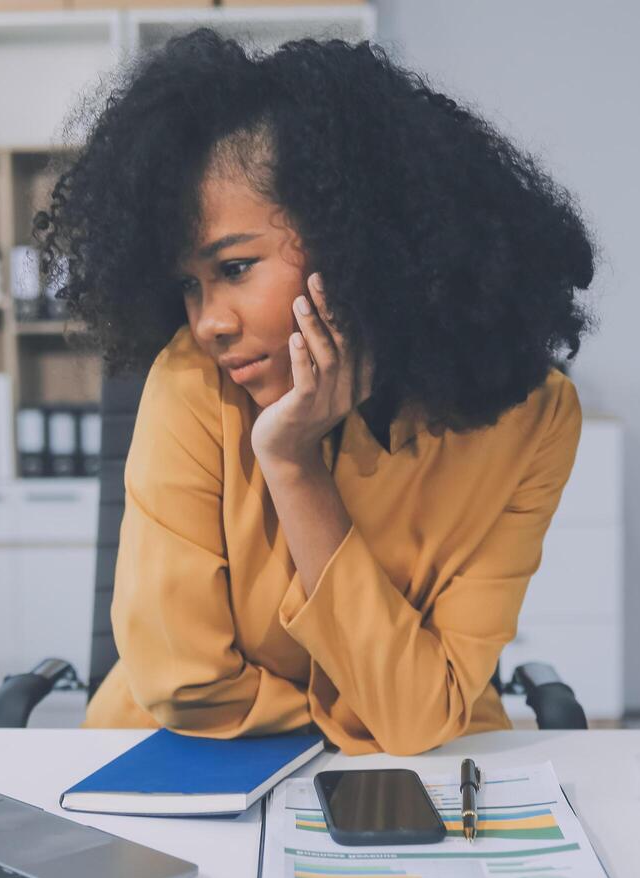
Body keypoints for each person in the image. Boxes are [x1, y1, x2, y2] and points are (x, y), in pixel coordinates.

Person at [34, 29, 597, 755]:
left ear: (358, 238)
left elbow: (426, 720)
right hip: (181, 763)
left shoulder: (535, 422)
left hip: (426, 778)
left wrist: (294, 469)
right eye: (188, 284)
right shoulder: (192, 380)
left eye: (234, 268)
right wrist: (376, 702)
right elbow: (183, 684)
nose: (208, 322)